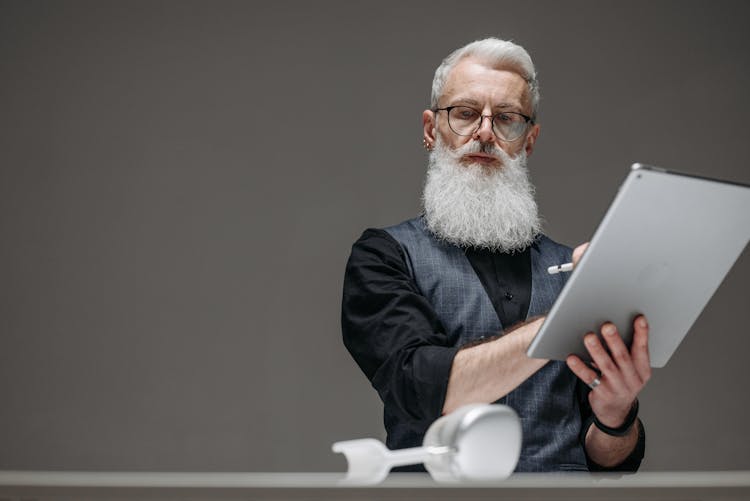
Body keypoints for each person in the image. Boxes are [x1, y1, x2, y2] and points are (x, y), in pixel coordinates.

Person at [341, 38, 651, 472]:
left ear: (528, 140)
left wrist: (617, 415)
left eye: (506, 119)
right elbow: (424, 388)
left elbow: (611, 460)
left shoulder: (574, 272)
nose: (485, 133)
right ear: (432, 130)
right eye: (465, 114)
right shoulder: (386, 256)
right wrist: (571, 314)